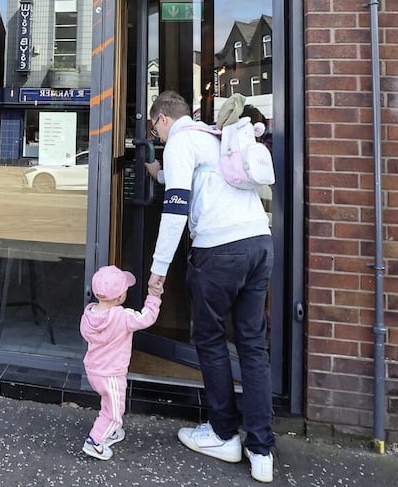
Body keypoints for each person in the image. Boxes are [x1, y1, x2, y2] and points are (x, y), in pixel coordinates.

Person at [145, 90, 275, 483]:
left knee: (210, 338)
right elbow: (201, 177)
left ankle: (222, 434)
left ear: (163, 119)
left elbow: (176, 207)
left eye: (155, 128)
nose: (157, 135)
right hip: (258, 243)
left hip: (219, 252)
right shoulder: (213, 136)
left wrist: (158, 270)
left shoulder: (180, 142)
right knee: (253, 345)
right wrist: (159, 172)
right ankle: (261, 449)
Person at [79, 264, 162, 461]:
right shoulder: (123, 317)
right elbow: (146, 318)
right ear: (119, 297)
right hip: (112, 374)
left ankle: (112, 432)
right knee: (115, 411)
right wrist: (154, 297)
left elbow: (86, 334)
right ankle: (95, 441)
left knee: (107, 402)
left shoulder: (89, 315)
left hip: (93, 370)